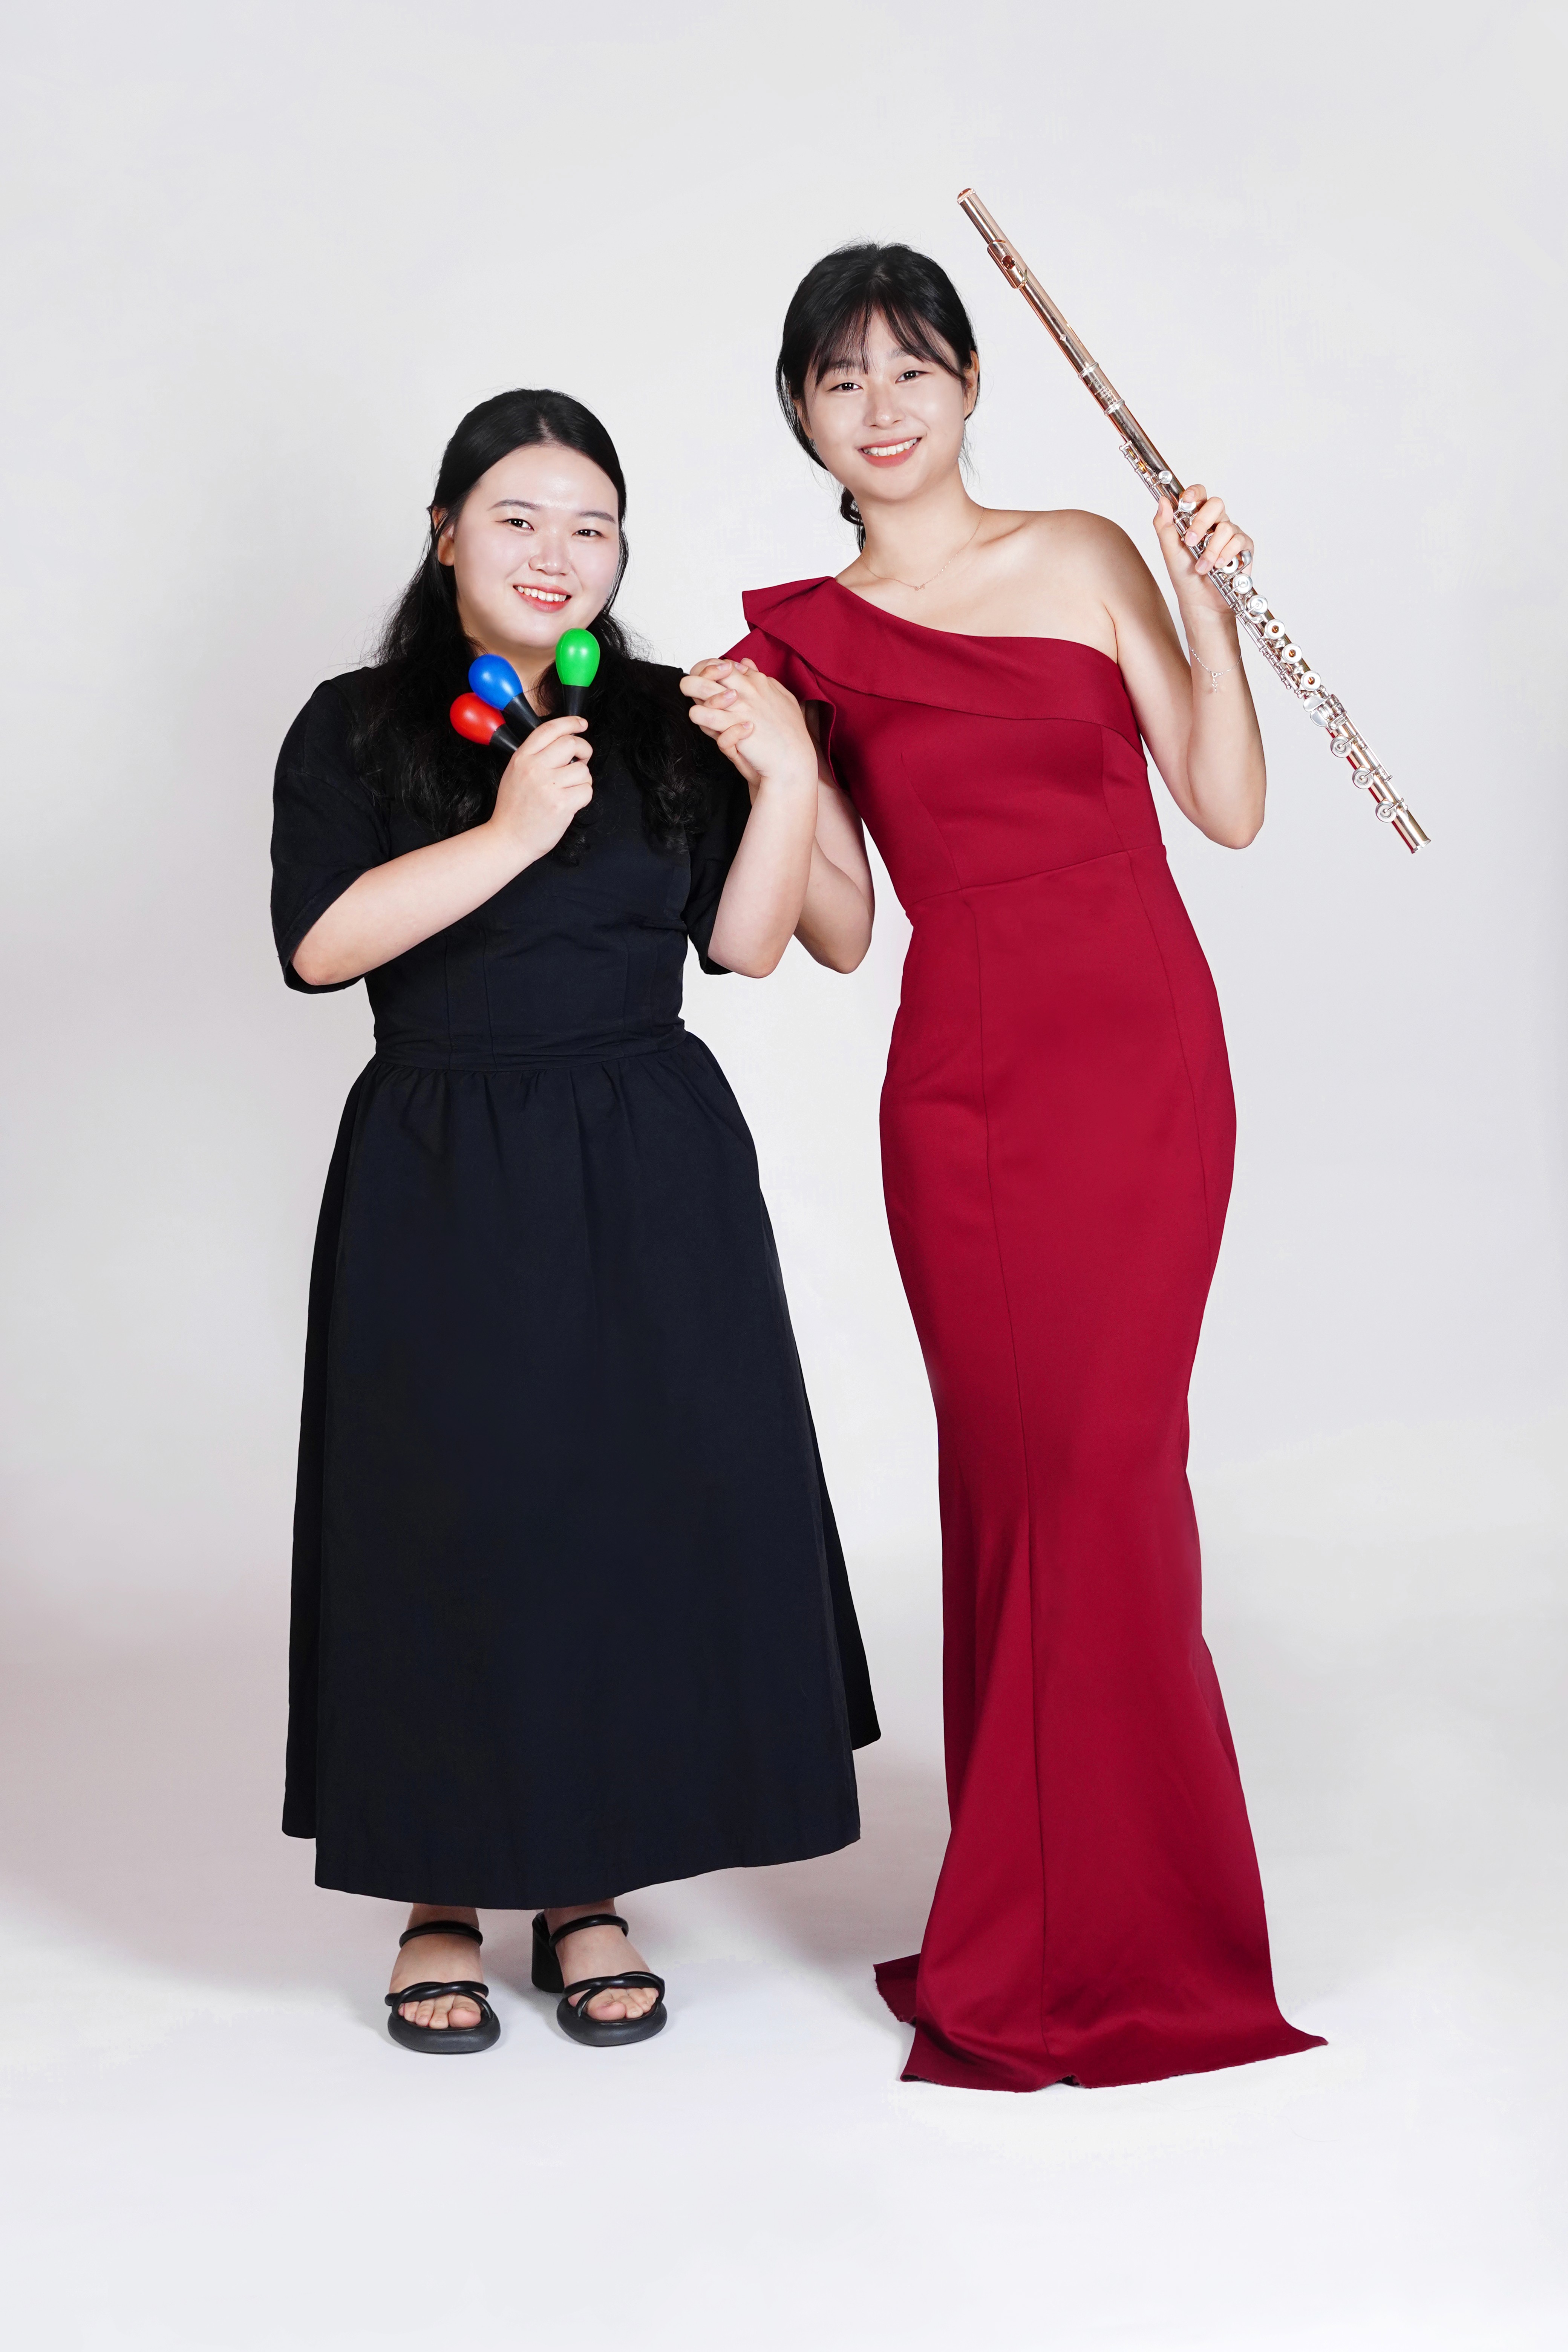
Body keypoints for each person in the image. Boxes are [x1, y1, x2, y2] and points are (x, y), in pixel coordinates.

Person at [684, 243, 1321, 2093]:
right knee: (1021, 1485)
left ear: (971, 383)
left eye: (912, 370)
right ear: (798, 413)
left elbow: (1224, 806)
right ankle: (1046, 1920)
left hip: (1141, 1066)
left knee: (1111, 1473)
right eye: (839, 381)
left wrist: (1204, 610)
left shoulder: (1086, 554)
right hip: (963, 1095)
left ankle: (1130, 1932)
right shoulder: (796, 646)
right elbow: (832, 933)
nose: (880, 409)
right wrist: (778, 774)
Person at [271, 388, 878, 2056]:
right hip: (445, 1162)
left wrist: (785, 777)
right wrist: (510, 832)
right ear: (447, 534)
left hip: (651, 1155)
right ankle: (440, 1895)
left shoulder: (665, 722)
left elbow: (749, 946)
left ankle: (587, 1884)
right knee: (453, 1515)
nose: (558, 554)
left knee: (622, 1510)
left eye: (591, 526)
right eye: (520, 519)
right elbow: (321, 945)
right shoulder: (357, 726)